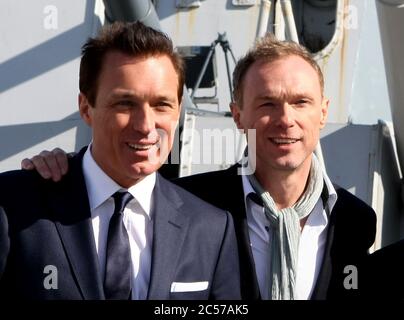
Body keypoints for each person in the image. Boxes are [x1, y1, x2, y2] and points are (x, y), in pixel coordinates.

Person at [21, 34, 376, 300]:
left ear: (324, 113)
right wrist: (66, 170)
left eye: (301, 102)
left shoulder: (354, 220)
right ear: (238, 116)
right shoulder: (196, 205)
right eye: (267, 103)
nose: (286, 120)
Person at [0, 21, 241, 300]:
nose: (145, 125)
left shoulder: (210, 227)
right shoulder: (13, 206)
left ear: (177, 112)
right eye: (124, 104)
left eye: (161, 104)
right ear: (85, 108)